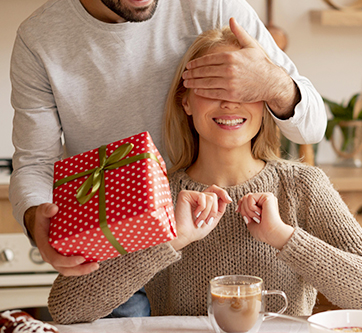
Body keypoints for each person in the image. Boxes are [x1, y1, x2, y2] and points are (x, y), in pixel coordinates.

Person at [9, 0, 326, 318]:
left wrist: (271, 82)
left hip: (209, 229)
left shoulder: (211, 1)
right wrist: (35, 219)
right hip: (121, 257)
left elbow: (311, 124)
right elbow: (35, 164)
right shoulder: (39, 39)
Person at [48, 26, 362, 324]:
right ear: (185, 101)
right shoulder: (155, 193)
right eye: (213, 87)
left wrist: (284, 237)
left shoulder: (302, 186)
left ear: (266, 100)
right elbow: (66, 307)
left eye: (245, 89)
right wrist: (174, 239)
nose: (229, 101)